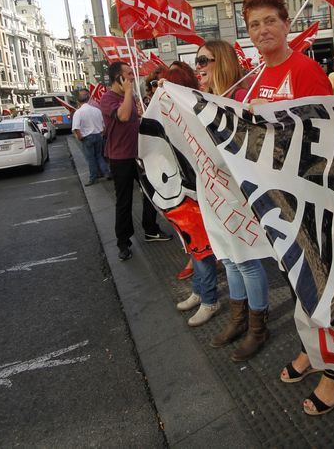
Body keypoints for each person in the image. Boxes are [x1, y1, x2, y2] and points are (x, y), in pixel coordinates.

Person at [242, 0, 334, 415]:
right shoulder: (255, 77)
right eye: (253, 25)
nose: (262, 30)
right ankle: (311, 351)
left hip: (310, 198)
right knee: (298, 282)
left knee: (322, 286)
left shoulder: (304, 70)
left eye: (269, 21)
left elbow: (327, 134)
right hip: (277, 202)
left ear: (286, 25)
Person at [194, 39, 274, 358]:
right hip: (211, 187)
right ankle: (238, 319)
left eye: (204, 61)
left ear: (222, 62)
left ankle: (258, 327)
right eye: (197, 62)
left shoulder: (240, 97)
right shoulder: (202, 99)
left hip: (237, 190)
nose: (198, 67)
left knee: (245, 258)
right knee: (226, 256)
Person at [155, 61, 223, 327]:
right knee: (195, 246)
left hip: (202, 189)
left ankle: (209, 299)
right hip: (187, 189)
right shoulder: (176, 110)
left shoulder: (198, 109)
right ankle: (201, 292)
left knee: (203, 248)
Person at [100, 61, 171, 262]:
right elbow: (122, 116)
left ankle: (151, 229)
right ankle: (123, 242)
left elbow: (134, 119)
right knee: (124, 201)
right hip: (120, 158)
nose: (132, 76)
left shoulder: (127, 97)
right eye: (129, 74)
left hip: (139, 155)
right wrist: (129, 92)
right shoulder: (108, 99)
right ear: (119, 78)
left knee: (151, 193)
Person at [72, 88, 111, 186]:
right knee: (99, 156)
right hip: (98, 135)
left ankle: (93, 178)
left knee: (91, 158)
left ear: (78, 101)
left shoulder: (78, 112)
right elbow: (103, 125)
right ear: (88, 99)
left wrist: (80, 137)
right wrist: (102, 133)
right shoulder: (96, 110)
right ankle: (106, 172)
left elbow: (76, 128)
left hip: (87, 137)